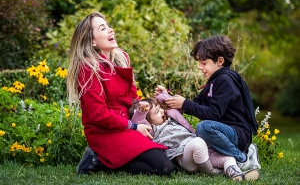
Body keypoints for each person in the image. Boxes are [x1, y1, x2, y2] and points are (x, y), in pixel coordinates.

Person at [67, 12, 174, 176]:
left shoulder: (122, 57)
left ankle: (102, 159)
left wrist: (151, 105)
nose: (110, 30)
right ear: (92, 41)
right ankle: (97, 159)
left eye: (108, 26)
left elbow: (132, 99)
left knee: (166, 161)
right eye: (103, 28)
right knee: (164, 168)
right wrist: (134, 126)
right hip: (104, 132)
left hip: (126, 126)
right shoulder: (88, 67)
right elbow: (98, 114)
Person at [154, 35, 261, 171]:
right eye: (199, 63)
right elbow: (195, 105)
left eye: (204, 63)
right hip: (224, 133)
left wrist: (185, 103)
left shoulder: (225, 81)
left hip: (237, 133)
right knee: (203, 130)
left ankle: (242, 158)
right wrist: (166, 98)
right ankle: (247, 153)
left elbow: (213, 114)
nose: (199, 67)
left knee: (204, 128)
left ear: (220, 61)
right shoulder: (214, 81)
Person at [128, 92, 260, 181]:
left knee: (226, 157)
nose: (162, 111)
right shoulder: (151, 129)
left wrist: (163, 95)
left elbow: (174, 106)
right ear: (148, 120)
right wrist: (141, 111)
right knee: (198, 143)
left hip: (201, 150)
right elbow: (137, 122)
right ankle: (212, 172)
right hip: (184, 157)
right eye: (157, 112)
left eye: (159, 108)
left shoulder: (171, 117)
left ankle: (235, 173)